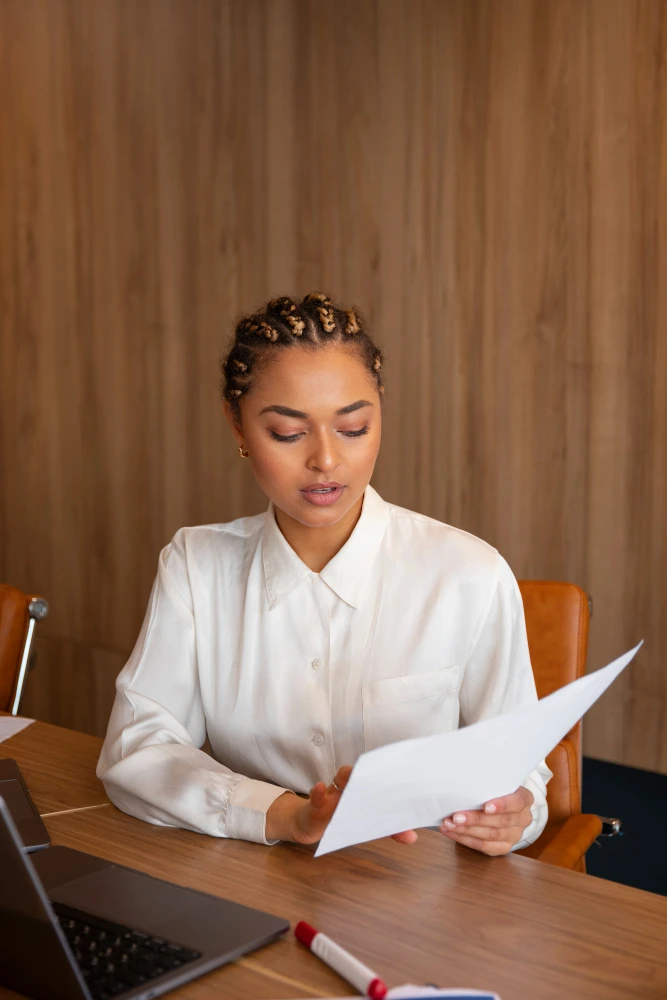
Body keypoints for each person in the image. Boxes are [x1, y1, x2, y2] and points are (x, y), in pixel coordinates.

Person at [98, 292, 552, 855]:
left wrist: (515, 815)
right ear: (237, 426)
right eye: (288, 434)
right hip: (259, 880)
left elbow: (521, 773)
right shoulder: (196, 566)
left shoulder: (469, 574)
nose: (326, 461)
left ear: (380, 412)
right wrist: (285, 815)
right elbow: (138, 747)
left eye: (353, 427)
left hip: (422, 895)